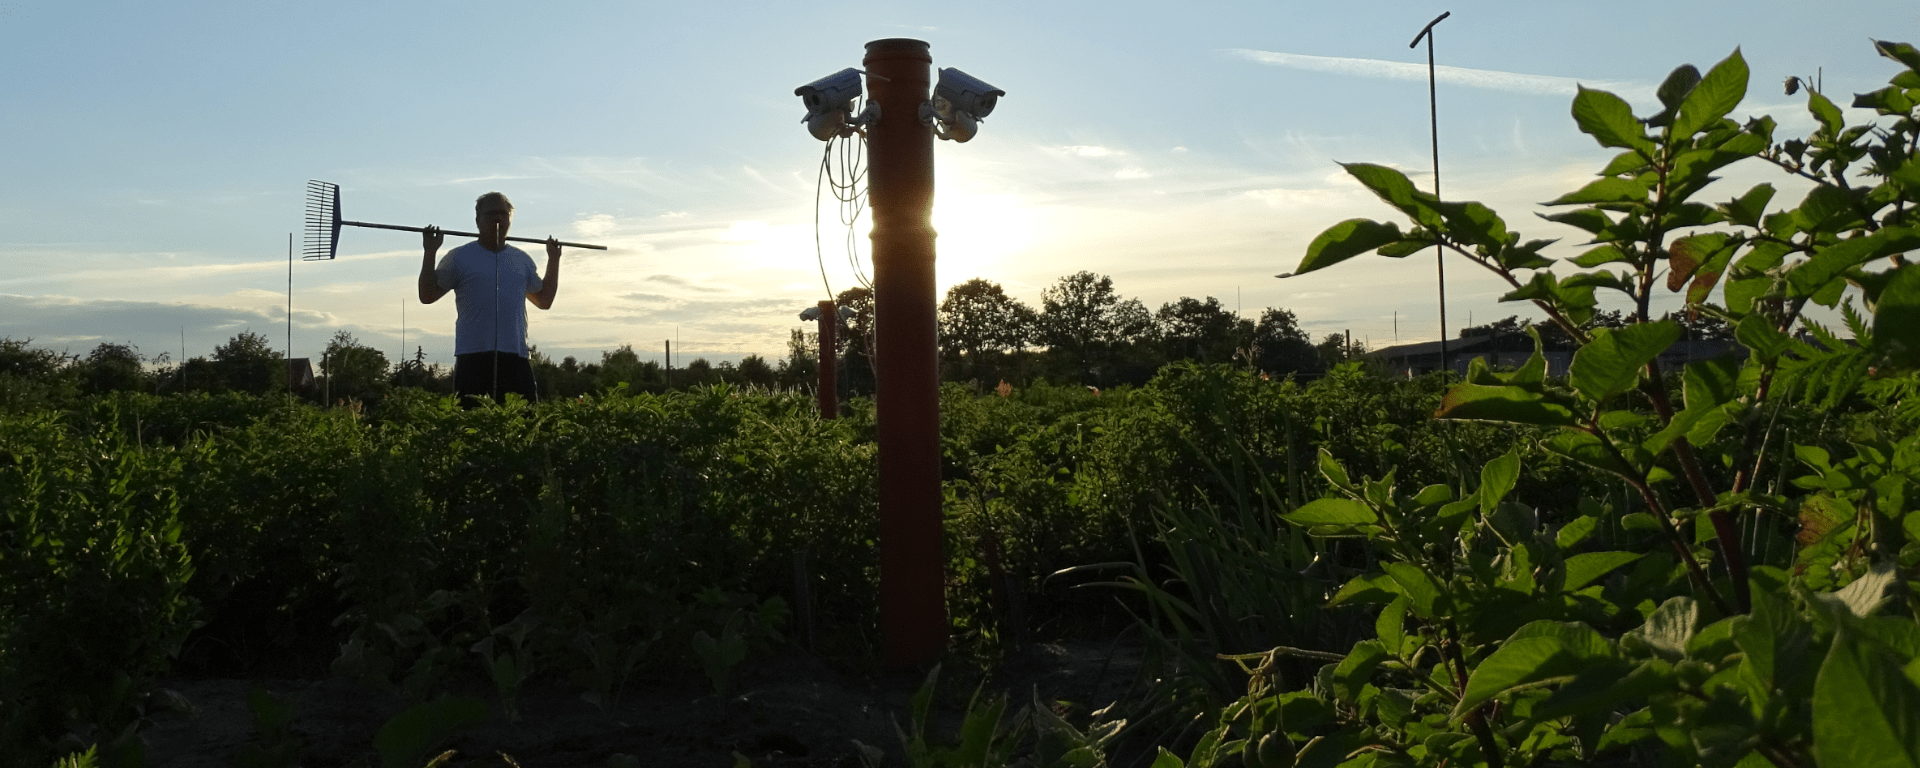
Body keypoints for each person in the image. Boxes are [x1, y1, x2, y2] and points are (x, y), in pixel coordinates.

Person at [418, 191, 562, 407]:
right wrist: (430, 251)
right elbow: (427, 295)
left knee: (523, 421)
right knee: (472, 421)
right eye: (492, 214)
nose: (498, 219)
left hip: (515, 356)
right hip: (473, 356)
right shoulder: (458, 258)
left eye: (504, 214)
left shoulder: (521, 260)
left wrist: (554, 260)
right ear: (478, 219)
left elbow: (544, 301)